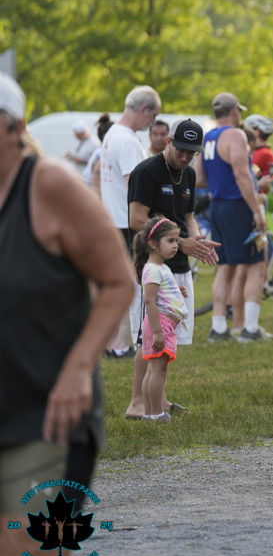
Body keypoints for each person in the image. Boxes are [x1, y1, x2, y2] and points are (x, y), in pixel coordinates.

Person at [0, 74, 133, 556]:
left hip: (50, 416)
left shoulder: (49, 186)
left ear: (15, 128)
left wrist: (79, 369)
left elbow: (118, 281)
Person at [126, 119, 219, 419]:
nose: (185, 157)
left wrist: (196, 240)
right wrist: (181, 241)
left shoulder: (188, 174)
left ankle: (159, 400)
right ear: (168, 142)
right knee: (147, 336)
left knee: (167, 334)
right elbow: (136, 220)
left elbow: (188, 216)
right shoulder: (146, 172)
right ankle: (137, 403)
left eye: (192, 153)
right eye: (181, 150)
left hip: (177, 264)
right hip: (152, 265)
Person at [198, 91, 269, 343]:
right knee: (255, 265)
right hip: (237, 206)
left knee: (225, 266)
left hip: (217, 205)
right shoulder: (236, 135)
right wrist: (256, 211)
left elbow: (200, 178)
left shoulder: (208, 137)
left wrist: (220, 182)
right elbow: (241, 175)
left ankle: (218, 327)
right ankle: (250, 328)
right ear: (235, 111)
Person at [101, 85, 162, 358]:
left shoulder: (112, 134)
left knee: (119, 284)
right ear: (143, 110)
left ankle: (112, 343)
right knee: (134, 285)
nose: (152, 122)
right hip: (128, 223)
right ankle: (122, 345)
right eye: (153, 115)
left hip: (113, 220)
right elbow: (135, 188)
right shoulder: (127, 141)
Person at [132, 216, 188, 422]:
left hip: (164, 325)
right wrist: (157, 332)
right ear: (153, 244)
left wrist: (176, 291)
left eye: (176, 241)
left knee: (154, 370)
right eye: (170, 241)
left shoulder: (160, 267)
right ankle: (156, 413)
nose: (175, 245)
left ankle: (150, 413)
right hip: (160, 326)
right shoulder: (153, 270)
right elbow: (150, 301)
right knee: (157, 371)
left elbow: (161, 294)